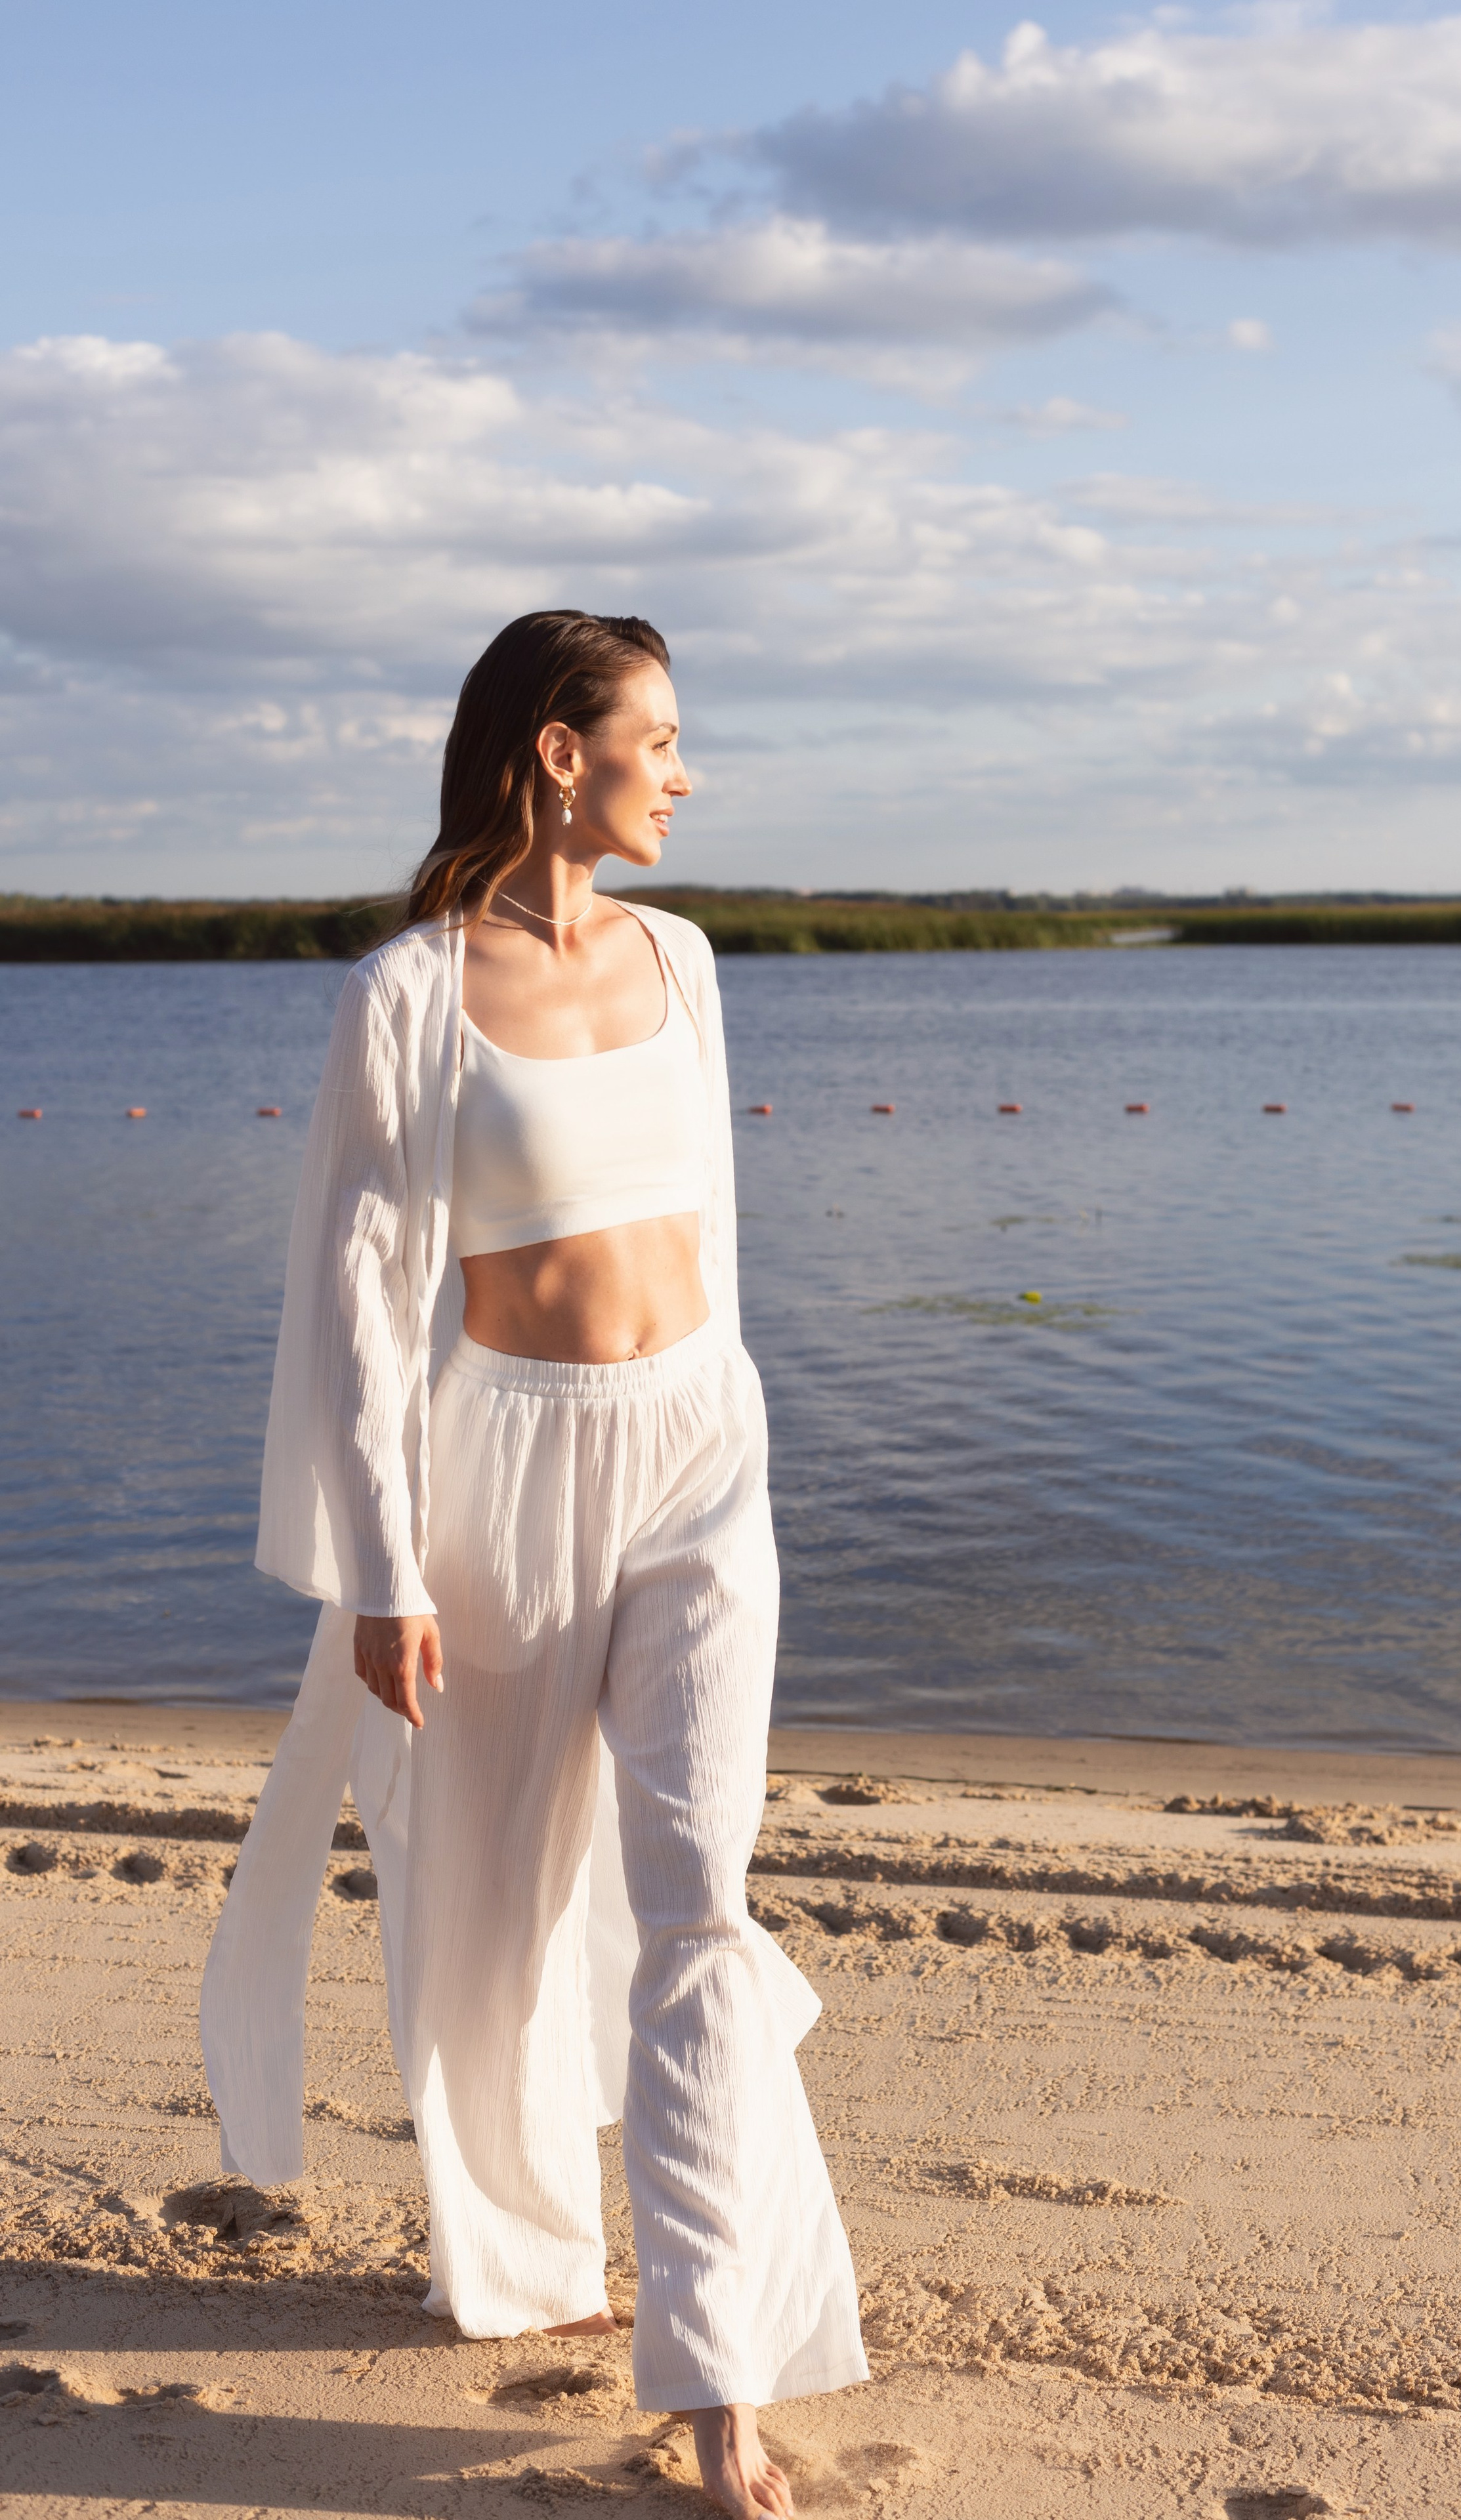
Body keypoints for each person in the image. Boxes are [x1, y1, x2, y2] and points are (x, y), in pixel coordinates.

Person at [200, 610, 868, 2519]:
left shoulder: (686, 958)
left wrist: (733, 1434)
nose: (687, 768)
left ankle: (720, 2376)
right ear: (557, 755)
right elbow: (351, 1304)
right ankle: (513, 2251)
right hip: (501, 1472)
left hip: (695, 1463)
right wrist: (388, 1569)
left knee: (694, 1907)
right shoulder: (406, 994)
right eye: (659, 735)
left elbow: (715, 1238)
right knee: (483, 1913)